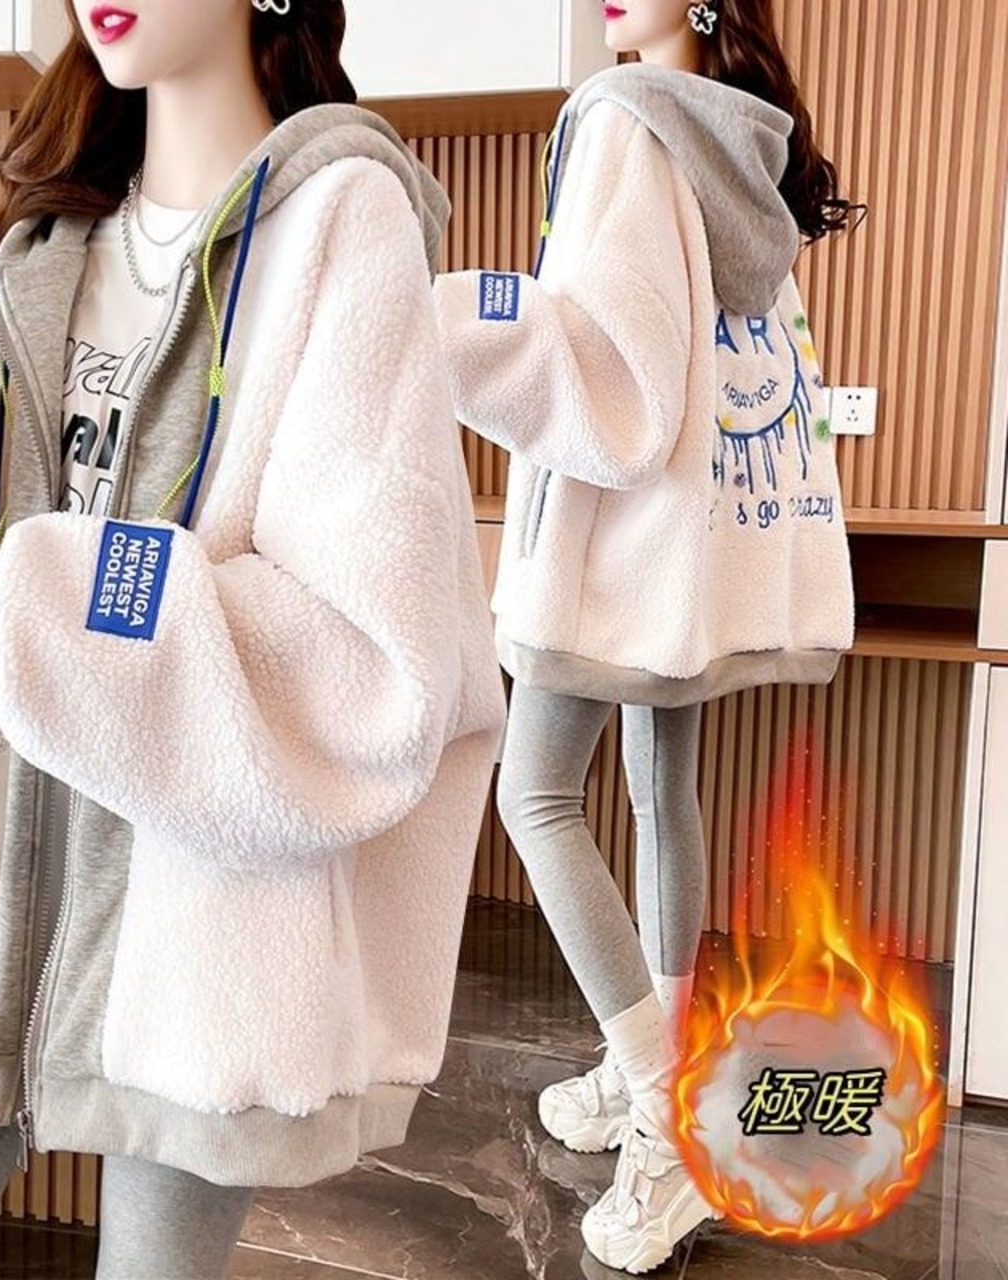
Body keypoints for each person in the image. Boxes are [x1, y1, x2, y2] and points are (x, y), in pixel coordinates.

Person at [0, 1, 506, 1275]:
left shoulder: (338, 225)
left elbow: (362, 646)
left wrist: (30, 616)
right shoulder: (54, 243)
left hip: (203, 920)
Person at [431, 0, 858, 1271]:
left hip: (616, 542)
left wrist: (447, 319)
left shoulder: (621, 120)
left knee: (535, 795)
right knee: (658, 788)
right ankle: (650, 1070)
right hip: (692, 541)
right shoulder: (740, 143)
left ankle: (666, 1122)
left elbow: (600, 364)